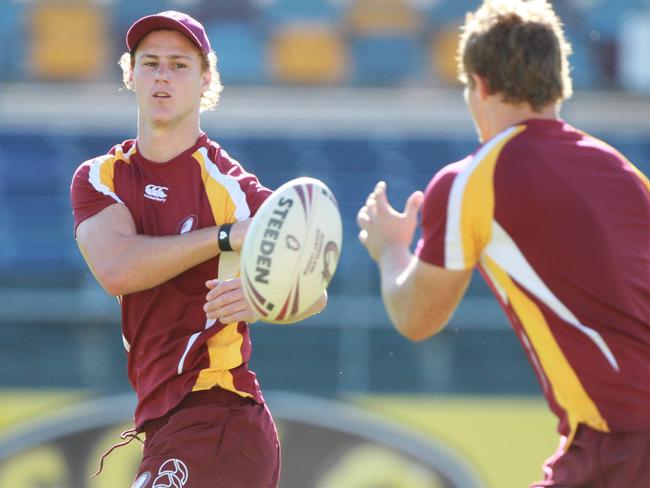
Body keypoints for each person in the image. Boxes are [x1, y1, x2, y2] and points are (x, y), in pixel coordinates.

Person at [357, 0, 650, 486]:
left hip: (621, 443)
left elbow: (417, 317)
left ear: (481, 84)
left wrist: (391, 250)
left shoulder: (471, 182)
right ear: (560, 83)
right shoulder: (626, 172)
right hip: (610, 440)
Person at [70, 11, 326, 488]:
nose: (163, 75)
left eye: (179, 64)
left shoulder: (233, 186)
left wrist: (267, 299)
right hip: (171, 420)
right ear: (131, 75)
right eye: (150, 63)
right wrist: (225, 235)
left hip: (219, 414)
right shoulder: (100, 176)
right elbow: (117, 268)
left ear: (206, 78)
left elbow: (315, 290)